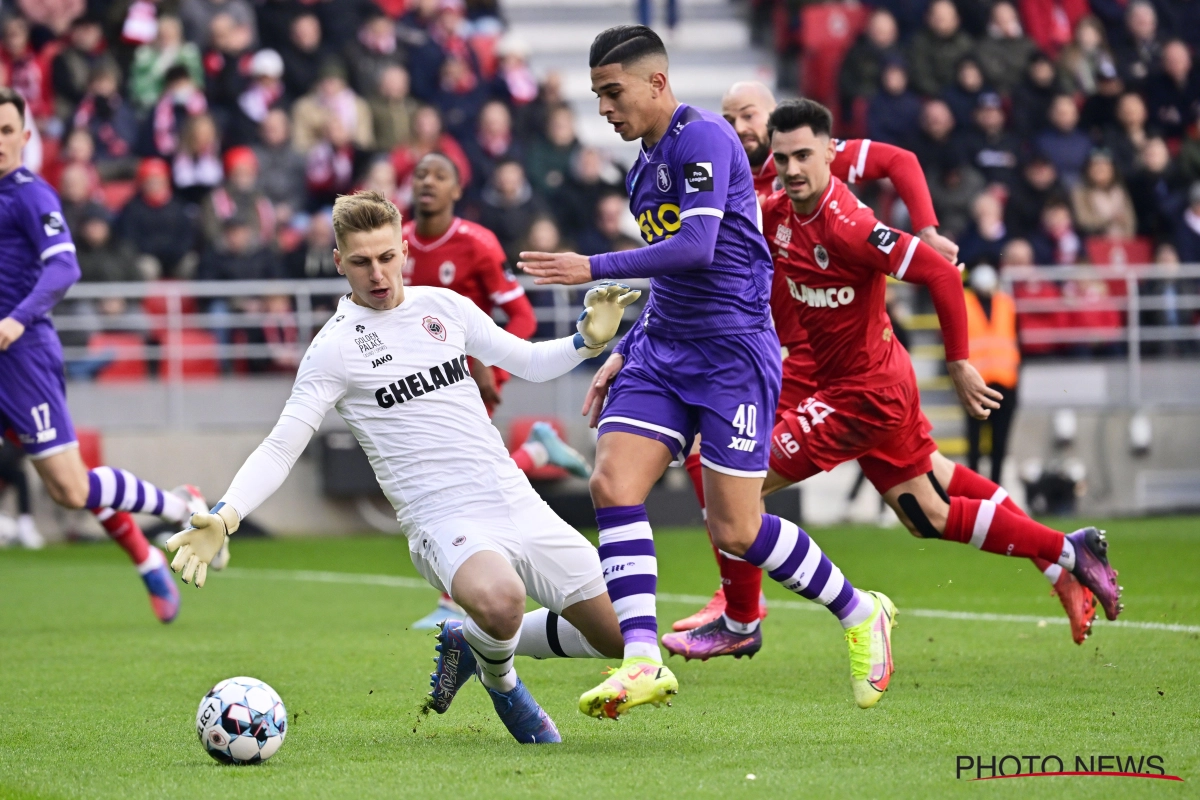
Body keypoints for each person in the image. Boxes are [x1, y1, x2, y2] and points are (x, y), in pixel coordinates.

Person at [166, 190, 641, 743]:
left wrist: (585, 341)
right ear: (339, 262)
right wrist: (226, 515)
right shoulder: (334, 349)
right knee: (502, 598)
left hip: (515, 498)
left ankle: (469, 645)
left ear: (404, 250)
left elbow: (530, 362)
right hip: (442, 519)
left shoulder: (444, 306)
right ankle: (503, 680)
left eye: (388, 257)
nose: (378, 273)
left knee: (623, 635)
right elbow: (281, 446)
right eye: (362, 262)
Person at [519, 26, 893, 712]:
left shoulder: (707, 141)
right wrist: (627, 349)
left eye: (613, 90)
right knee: (610, 480)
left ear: (656, 83)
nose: (603, 107)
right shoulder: (641, 168)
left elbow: (696, 247)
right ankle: (640, 660)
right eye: (597, 93)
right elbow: (675, 279)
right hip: (665, 353)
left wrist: (591, 268)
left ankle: (859, 610)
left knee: (737, 531)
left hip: (732, 355)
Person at [755, 99, 1121, 643]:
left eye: (804, 155)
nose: (791, 168)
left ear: (832, 152)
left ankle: (815, 613)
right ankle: (1064, 555)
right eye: (781, 158)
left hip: (863, 394)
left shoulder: (850, 225)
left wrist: (959, 363)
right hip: (866, 379)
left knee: (738, 482)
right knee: (928, 510)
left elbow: (942, 274)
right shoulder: (775, 203)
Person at [0, 88, 215, 623]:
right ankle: (147, 558)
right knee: (68, 480)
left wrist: (15, 320)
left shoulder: (31, 195)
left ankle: (176, 507)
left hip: (20, 356)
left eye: (7, 131)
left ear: (26, 139)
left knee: (70, 487)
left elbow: (64, 267)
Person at [402, 152, 594, 630]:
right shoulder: (398, 244)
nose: (427, 182)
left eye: (439, 175)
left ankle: (452, 604)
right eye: (420, 174)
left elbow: (523, 316)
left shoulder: (477, 244)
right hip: (415, 387)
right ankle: (535, 449)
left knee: (455, 488)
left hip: (466, 382)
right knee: (461, 483)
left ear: (456, 191)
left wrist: (488, 365)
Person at [964, 264, 1020, 485]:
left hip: (1005, 383)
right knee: (974, 444)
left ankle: (996, 490)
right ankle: (974, 489)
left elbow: (1016, 342)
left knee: (1000, 444)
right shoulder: (964, 302)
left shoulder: (1006, 303)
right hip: (975, 385)